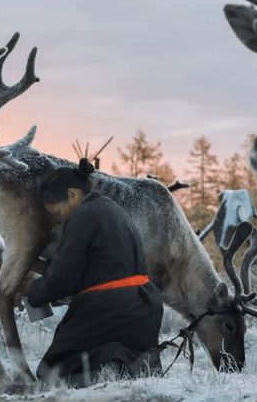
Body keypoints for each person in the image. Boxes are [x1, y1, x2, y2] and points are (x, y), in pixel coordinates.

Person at [26, 158, 164, 386]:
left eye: (57, 212)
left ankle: (103, 378)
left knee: (51, 372)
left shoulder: (84, 216)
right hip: (144, 310)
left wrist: (34, 292)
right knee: (116, 355)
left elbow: (63, 279)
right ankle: (124, 371)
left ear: (72, 195)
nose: (57, 218)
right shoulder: (110, 209)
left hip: (110, 309)